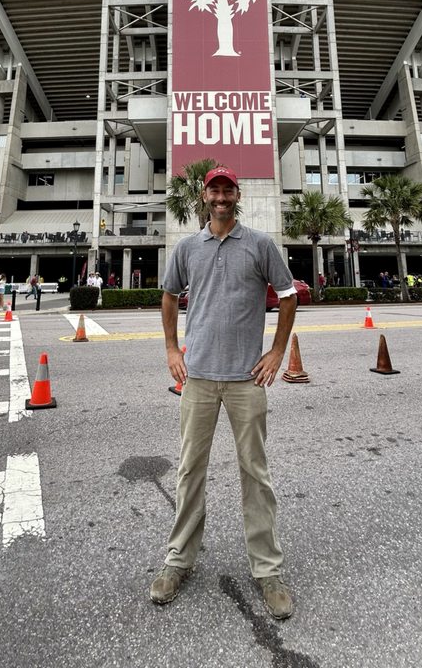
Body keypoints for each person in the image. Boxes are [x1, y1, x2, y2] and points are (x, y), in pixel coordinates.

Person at [150, 166, 297, 620]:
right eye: (213, 189)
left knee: (255, 472)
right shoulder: (188, 247)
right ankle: (178, 561)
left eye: (227, 189)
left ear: (238, 194)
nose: (220, 196)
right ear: (204, 195)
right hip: (197, 379)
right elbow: (170, 296)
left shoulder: (259, 244)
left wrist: (276, 353)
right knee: (190, 469)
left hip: (246, 381)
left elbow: (288, 295)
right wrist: (173, 348)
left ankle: (267, 571)